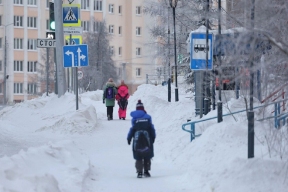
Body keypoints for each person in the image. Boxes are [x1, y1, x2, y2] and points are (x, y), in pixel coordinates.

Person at [127, 100, 156, 178]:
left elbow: (132, 129)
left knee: (138, 156)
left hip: (137, 140)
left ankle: (139, 172)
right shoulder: (148, 117)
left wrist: (129, 138)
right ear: (143, 108)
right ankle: (146, 171)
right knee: (147, 155)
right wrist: (153, 137)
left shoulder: (134, 118)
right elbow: (151, 128)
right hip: (148, 139)